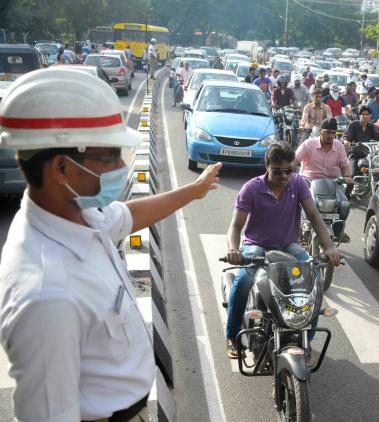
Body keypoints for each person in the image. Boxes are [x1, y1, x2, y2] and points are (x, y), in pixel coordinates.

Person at [0, 68, 222, 421]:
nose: (121, 165)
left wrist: (193, 192)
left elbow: (131, 215)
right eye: (108, 156)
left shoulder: (79, 214)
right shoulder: (46, 293)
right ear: (61, 168)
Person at [225, 143, 341, 358]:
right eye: (278, 171)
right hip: (256, 245)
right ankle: (232, 336)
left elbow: (314, 216)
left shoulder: (297, 184)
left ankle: (307, 337)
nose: (284, 175)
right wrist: (233, 249)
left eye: (289, 170)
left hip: (288, 246)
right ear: (267, 167)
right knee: (243, 282)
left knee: (313, 276)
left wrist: (330, 247)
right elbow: (235, 226)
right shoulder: (251, 188)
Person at [293, 118, 351, 222]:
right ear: (320, 131)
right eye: (327, 132)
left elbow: (344, 165)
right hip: (308, 181)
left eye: (333, 133)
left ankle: (339, 230)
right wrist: (288, 174)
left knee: (344, 204)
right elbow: (295, 160)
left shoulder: (339, 146)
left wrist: (346, 176)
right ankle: (297, 227)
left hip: (332, 183)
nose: (330, 136)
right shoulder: (308, 144)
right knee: (294, 202)